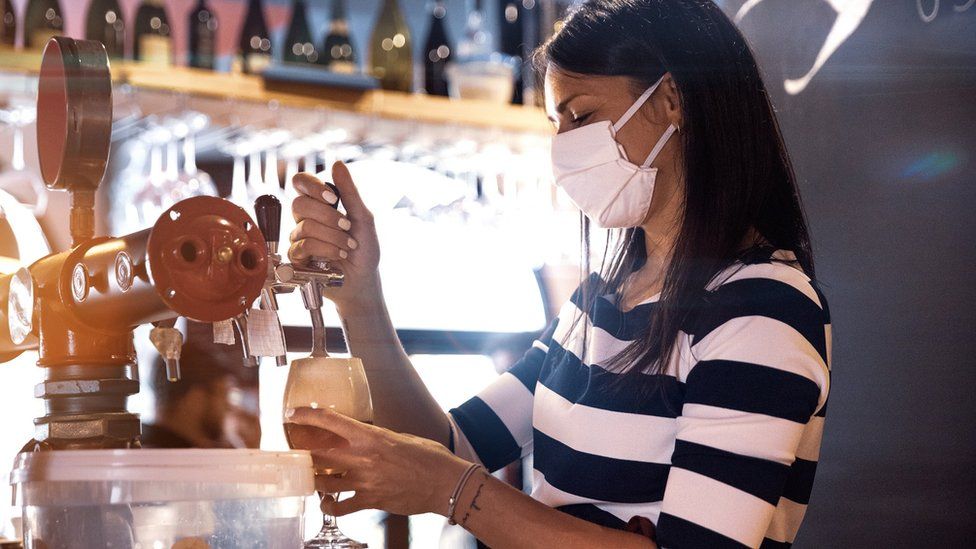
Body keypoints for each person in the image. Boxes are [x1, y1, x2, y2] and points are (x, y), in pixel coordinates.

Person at [283, 1, 831, 547]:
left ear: (671, 100)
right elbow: (449, 446)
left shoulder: (763, 307)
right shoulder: (599, 302)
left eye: (582, 116)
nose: (564, 146)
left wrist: (452, 490)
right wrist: (361, 300)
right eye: (556, 123)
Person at [141, 320, 261, 450]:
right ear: (195, 399)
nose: (229, 408)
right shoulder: (182, 460)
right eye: (224, 395)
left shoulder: (144, 447)